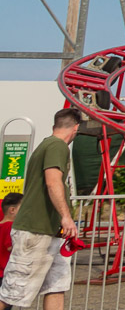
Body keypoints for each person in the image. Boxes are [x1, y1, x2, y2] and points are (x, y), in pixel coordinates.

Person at [0, 108, 82, 310]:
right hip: (36, 230)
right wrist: (66, 217)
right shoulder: (57, 146)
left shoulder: (47, 145)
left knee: (56, 285)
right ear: (75, 128)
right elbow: (53, 182)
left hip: (50, 232)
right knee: (13, 291)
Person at [0, 194, 22, 275]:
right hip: (5, 272)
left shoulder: (2, 225)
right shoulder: (10, 226)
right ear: (12, 210)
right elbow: (10, 247)